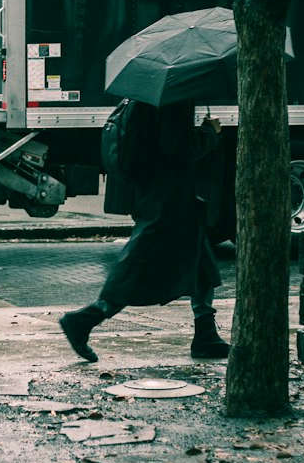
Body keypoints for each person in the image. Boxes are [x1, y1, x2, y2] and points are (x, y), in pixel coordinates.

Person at [59, 99, 230, 363]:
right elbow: (178, 145)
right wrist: (209, 132)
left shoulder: (150, 97)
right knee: (137, 265)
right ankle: (85, 319)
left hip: (163, 193)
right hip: (168, 199)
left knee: (200, 261)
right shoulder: (175, 99)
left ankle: (206, 333)